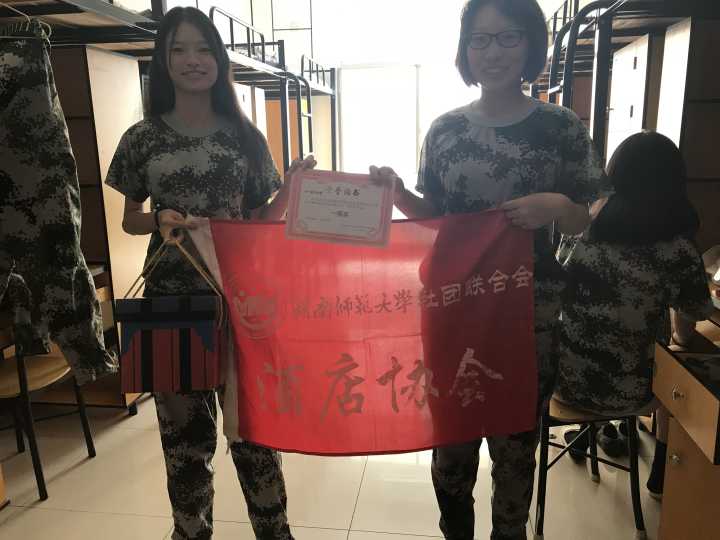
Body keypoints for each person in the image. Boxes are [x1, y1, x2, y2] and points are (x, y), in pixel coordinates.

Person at [370, 0, 608, 538]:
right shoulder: (445, 131)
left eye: (508, 38)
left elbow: (584, 219)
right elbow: (437, 218)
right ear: (465, 49)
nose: (492, 52)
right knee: (451, 451)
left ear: (530, 44)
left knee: (515, 450)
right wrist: (399, 193)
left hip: (526, 318)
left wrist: (556, 205)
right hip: (453, 308)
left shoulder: (560, 128)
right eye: (480, 39)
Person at [105, 7, 314, 539]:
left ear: (219, 60)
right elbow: (130, 220)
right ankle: (190, 531)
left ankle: (275, 531)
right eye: (178, 49)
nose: (192, 60)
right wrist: (159, 218)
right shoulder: (141, 138)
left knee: (255, 438)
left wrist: (291, 189)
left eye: (203, 49)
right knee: (185, 444)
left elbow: (261, 220)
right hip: (171, 307)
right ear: (163, 60)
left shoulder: (245, 137)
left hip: (241, 304)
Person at [554, 131, 714, 498]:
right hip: (634, 392)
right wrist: (676, 338)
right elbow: (688, 323)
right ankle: (661, 469)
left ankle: (589, 431)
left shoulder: (582, 229)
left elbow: (559, 290)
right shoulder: (678, 248)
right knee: (681, 368)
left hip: (566, 383)